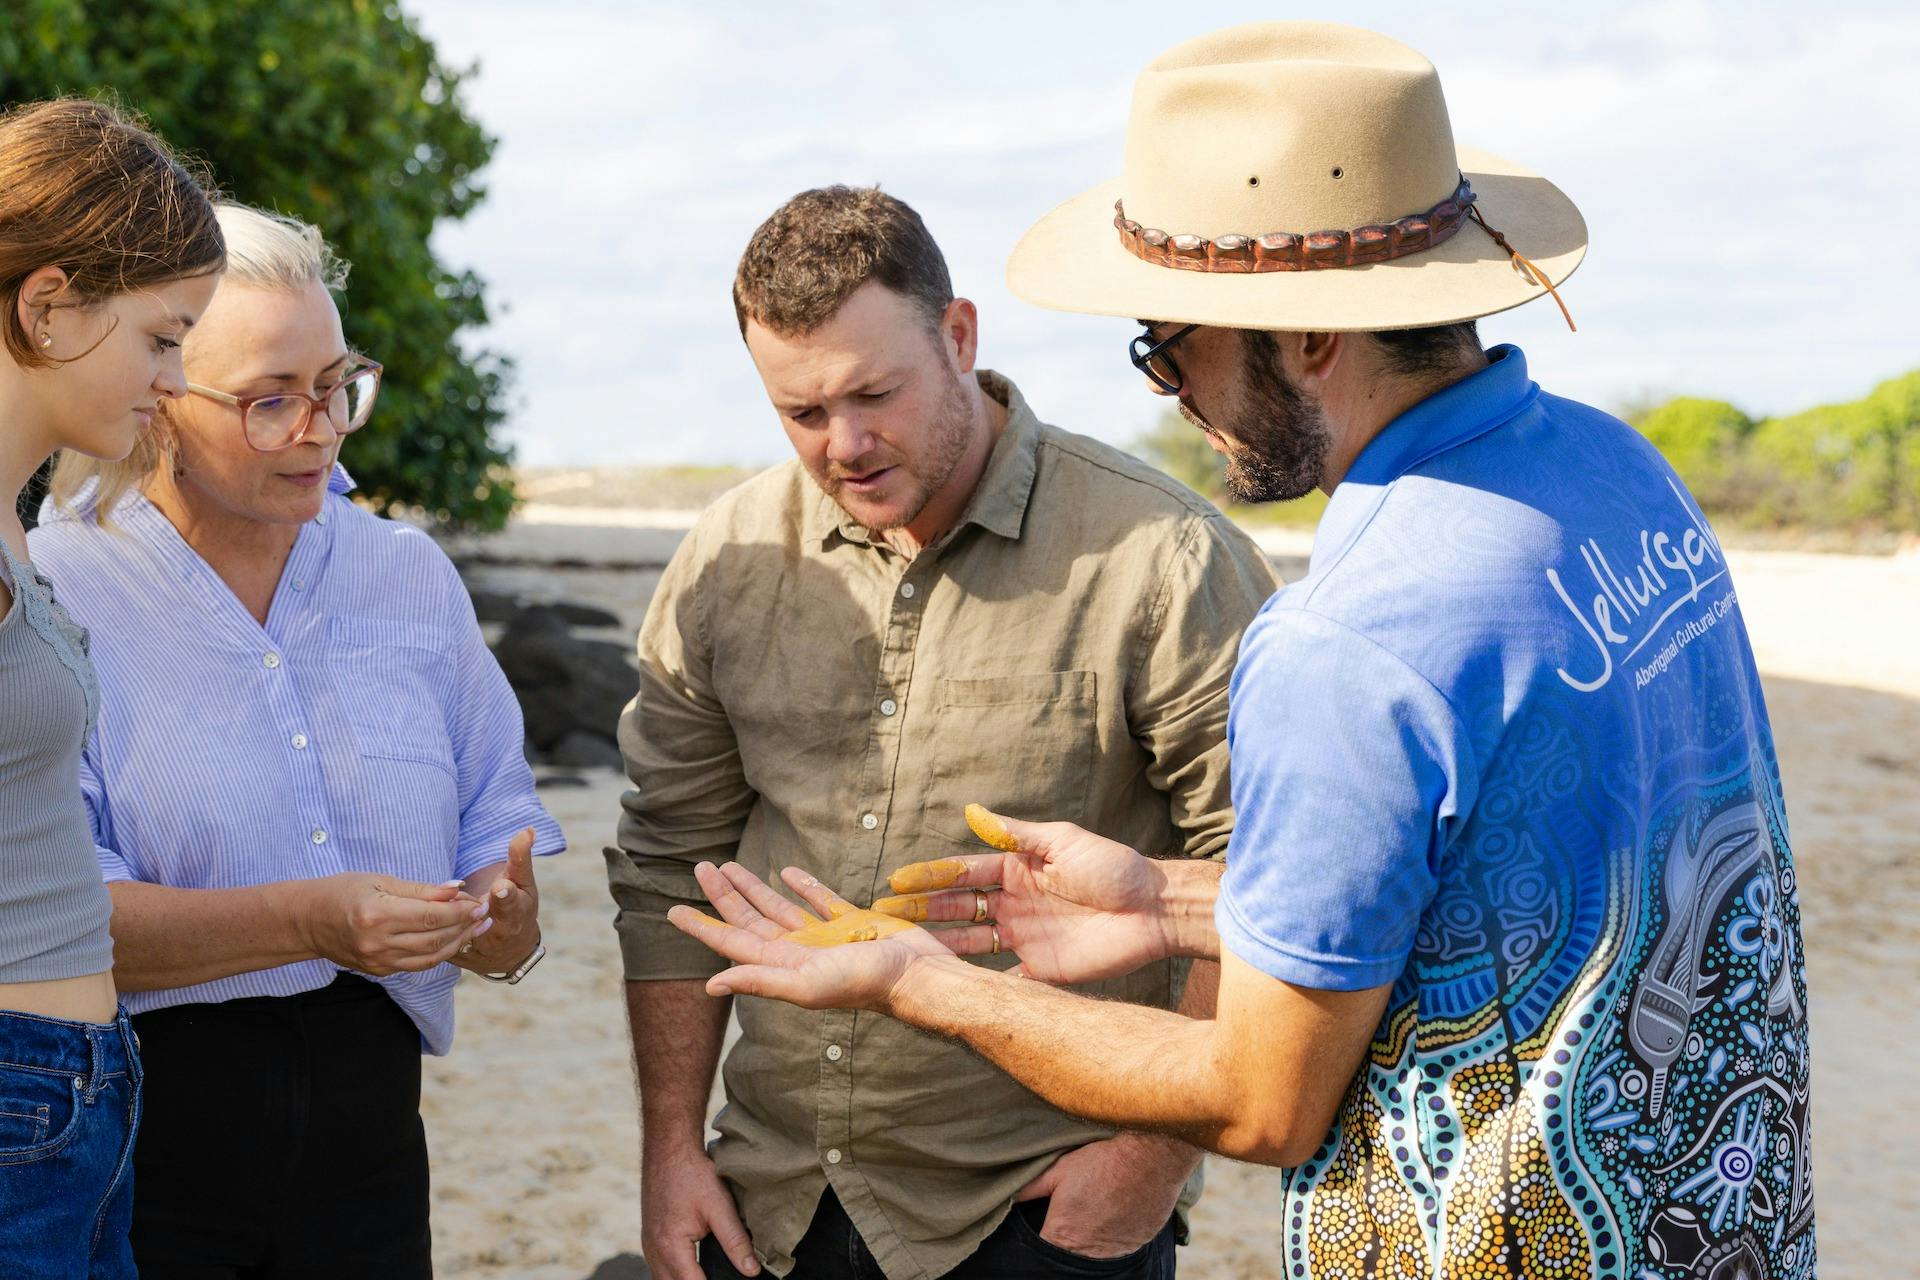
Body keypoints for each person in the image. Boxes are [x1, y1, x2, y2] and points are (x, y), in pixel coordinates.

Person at [667, 23, 1815, 1280]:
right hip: (1721, 1214)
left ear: (1309, 335)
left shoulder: (1347, 642)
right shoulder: (1616, 471)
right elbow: (1499, 882)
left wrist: (921, 981)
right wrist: (1164, 900)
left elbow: (1264, 1099)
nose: (1169, 390)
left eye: (1171, 341)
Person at [608, 184, 1277, 1280]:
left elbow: (1257, 871)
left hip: (1040, 1203)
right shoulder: (725, 558)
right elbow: (662, 869)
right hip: (767, 1198)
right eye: (802, 411)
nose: (846, 443)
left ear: (959, 335)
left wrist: (1152, 1160)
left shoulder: (1165, 556)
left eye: (877, 392)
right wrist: (671, 1150)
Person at [31, 201, 565, 1279]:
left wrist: (503, 921)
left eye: (335, 385)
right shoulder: (54, 587)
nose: (319, 427)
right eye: (271, 400)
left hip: (373, 1132)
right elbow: (59, 919)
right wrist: (313, 920)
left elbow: (496, 815)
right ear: (160, 398)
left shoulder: (407, 576)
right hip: (142, 1124)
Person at [0, 97, 225, 1279]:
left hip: (73, 1094)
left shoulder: (15, 519)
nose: (177, 378)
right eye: (161, 335)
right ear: (48, 305)